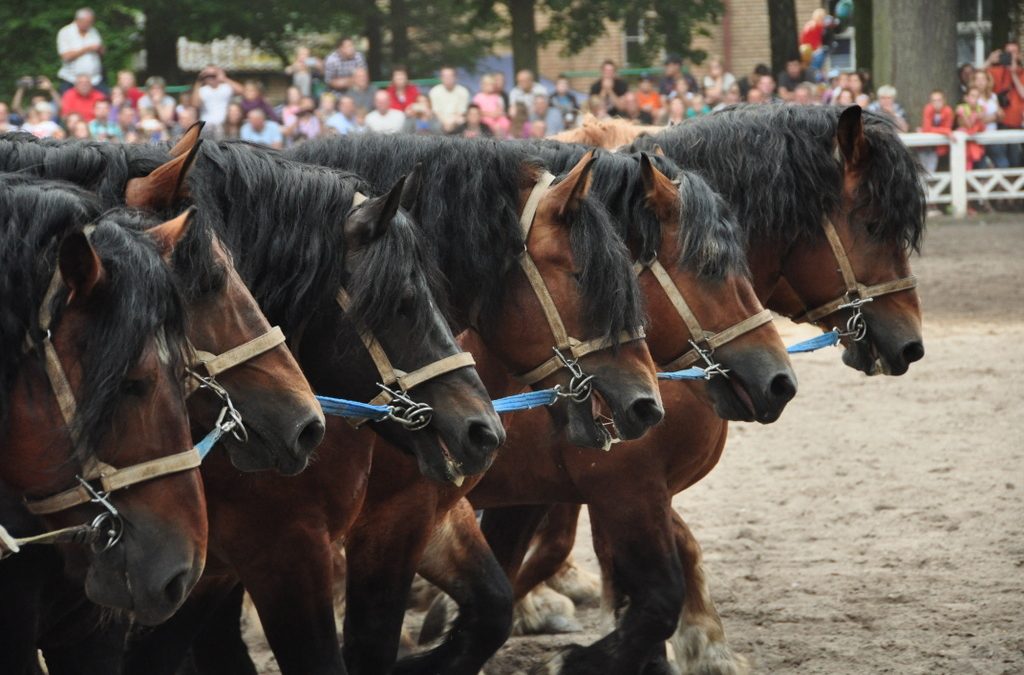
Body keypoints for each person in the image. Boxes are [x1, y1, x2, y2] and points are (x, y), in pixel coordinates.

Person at [987, 43, 1024, 165]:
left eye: (1013, 52)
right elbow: (975, 80)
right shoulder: (997, 72)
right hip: (999, 122)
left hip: (1016, 123)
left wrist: (1013, 73)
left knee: (1015, 159)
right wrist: (989, 61)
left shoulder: (1022, 73)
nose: (1010, 55)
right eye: (1007, 52)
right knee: (1001, 160)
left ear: (1018, 55)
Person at [56, 8, 104, 92]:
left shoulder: (94, 31)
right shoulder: (65, 32)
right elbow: (66, 57)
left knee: (105, 99)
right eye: (87, 22)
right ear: (78, 20)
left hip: (94, 79)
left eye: (91, 22)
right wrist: (87, 49)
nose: (90, 24)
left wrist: (99, 49)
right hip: (71, 79)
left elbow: (102, 53)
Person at [191, 66, 244, 138]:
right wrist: (199, 81)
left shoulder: (226, 88)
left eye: (213, 75)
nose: (210, 78)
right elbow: (195, 104)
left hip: (223, 126)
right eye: (207, 75)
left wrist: (224, 78)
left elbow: (242, 91)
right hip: (207, 127)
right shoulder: (201, 90)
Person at [973, 70, 1008, 167]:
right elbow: (977, 121)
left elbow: (1001, 117)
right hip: (979, 138)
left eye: (983, 79)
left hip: (993, 136)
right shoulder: (972, 97)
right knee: (981, 167)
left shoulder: (993, 96)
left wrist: (997, 116)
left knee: (1003, 164)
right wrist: (995, 116)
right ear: (974, 81)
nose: (980, 82)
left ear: (988, 81)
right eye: (978, 79)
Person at [918, 90, 954, 173]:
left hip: (938, 147)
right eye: (934, 100)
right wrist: (945, 131)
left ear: (944, 101)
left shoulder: (948, 111)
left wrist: (944, 130)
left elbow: (947, 127)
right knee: (922, 169)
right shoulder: (928, 109)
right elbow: (927, 128)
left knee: (931, 170)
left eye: (939, 100)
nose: (937, 103)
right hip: (924, 145)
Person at [429, 67, 470, 133]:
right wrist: (445, 123)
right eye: (445, 76)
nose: (447, 78)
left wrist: (452, 122)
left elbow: (462, 111)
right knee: (434, 124)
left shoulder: (463, 91)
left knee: (463, 122)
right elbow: (436, 111)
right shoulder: (434, 91)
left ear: (455, 77)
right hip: (439, 119)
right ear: (441, 78)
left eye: (450, 76)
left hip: (457, 119)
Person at [956, 87, 988, 169]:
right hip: (965, 143)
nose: (975, 99)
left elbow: (982, 125)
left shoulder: (981, 108)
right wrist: (964, 114)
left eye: (977, 96)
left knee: (981, 165)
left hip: (977, 142)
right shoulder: (962, 108)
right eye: (973, 96)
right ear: (966, 98)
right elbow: (968, 125)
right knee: (965, 166)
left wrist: (980, 114)